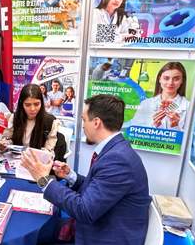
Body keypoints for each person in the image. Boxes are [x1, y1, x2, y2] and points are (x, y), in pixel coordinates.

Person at [21, 94, 150, 245]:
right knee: (45, 232)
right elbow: (96, 189)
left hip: (103, 236)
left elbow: (84, 211)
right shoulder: (115, 150)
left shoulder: (118, 161)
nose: (82, 125)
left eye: (84, 120)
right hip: (100, 224)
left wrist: (44, 180)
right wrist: (70, 176)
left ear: (96, 123)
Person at [0, 84, 66, 161]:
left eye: (37, 104)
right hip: (17, 162)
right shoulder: (14, 118)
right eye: (27, 105)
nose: (32, 109)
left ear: (41, 103)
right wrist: (4, 144)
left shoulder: (50, 122)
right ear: (21, 104)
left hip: (38, 164)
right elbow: (9, 139)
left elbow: (49, 149)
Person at [131, 62, 190, 130]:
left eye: (176, 79)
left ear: (182, 81)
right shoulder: (146, 104)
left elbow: (192, 137)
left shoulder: (188, 107)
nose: (170, 83)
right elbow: (134, 132)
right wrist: (154, 126)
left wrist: (176, 126)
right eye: (166, 78)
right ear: (159, 79)